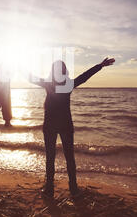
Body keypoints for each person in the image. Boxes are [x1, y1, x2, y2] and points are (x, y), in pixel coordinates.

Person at [29, 57, 115, 198]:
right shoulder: (68, 84)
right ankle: (73, 188)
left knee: (50, 157)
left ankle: (50, 188)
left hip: (51, 124)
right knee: (69, 157)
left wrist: (14, 68)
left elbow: (30, 78)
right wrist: (100, 65)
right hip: (65, 124)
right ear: (64, 71)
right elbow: (84, 76)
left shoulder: (48, 84)